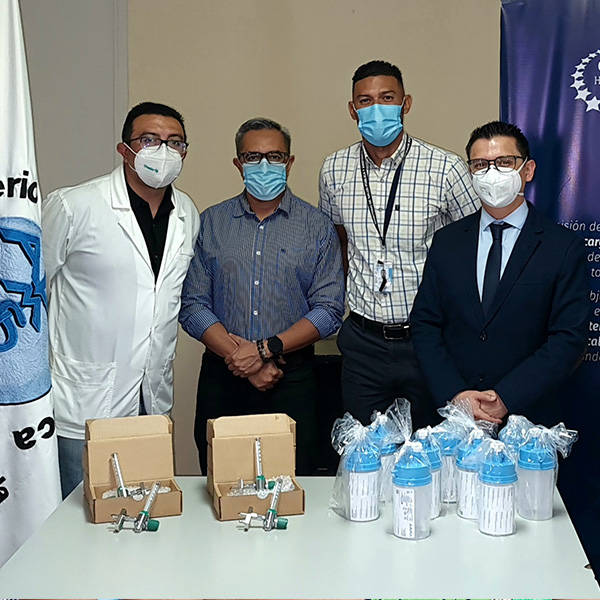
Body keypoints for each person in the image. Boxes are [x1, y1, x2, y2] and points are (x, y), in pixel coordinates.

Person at [42, 102, 200, 497]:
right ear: (124, 149)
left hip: (152, 401)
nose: (161, 151)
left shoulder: (187, 214)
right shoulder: (73, 205)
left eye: (174, 142)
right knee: (79, 518)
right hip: (84, 400)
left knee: (145, 514)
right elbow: (25, 295)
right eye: (149, 140)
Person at [319, 59, 479, 429]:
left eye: (387, 98)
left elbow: (472, 246)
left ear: (405, 104)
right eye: (365, 100)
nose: (376, 108)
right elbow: (337, 241)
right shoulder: (333, 169)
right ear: (352, 109)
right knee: (364, 452)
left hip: (426, 339)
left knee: (429, 453)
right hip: (363, 341)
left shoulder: (446, 169)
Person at [179, 117, 344, 475]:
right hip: (222, 379)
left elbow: (329, 309)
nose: (265, 165)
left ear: (290, 162)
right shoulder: (211, 222)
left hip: (293, 380)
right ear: (238, 164)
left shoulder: (316, 226)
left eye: (275, 156)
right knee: (220, 482)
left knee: (293, 482)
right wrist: (241, 359)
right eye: (253, 157)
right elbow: (193, 305)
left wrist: (265, 350)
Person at [410, 121, 589, 426]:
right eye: (480, 164)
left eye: (505, 162)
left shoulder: (562, 247)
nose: (491, 173)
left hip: (529, 421)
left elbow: (568, 339)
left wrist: (505, 397)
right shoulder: (447, 241)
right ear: (471, 174)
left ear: (528, 170)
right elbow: (425, 324)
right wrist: (456, 394)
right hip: (455, 417)